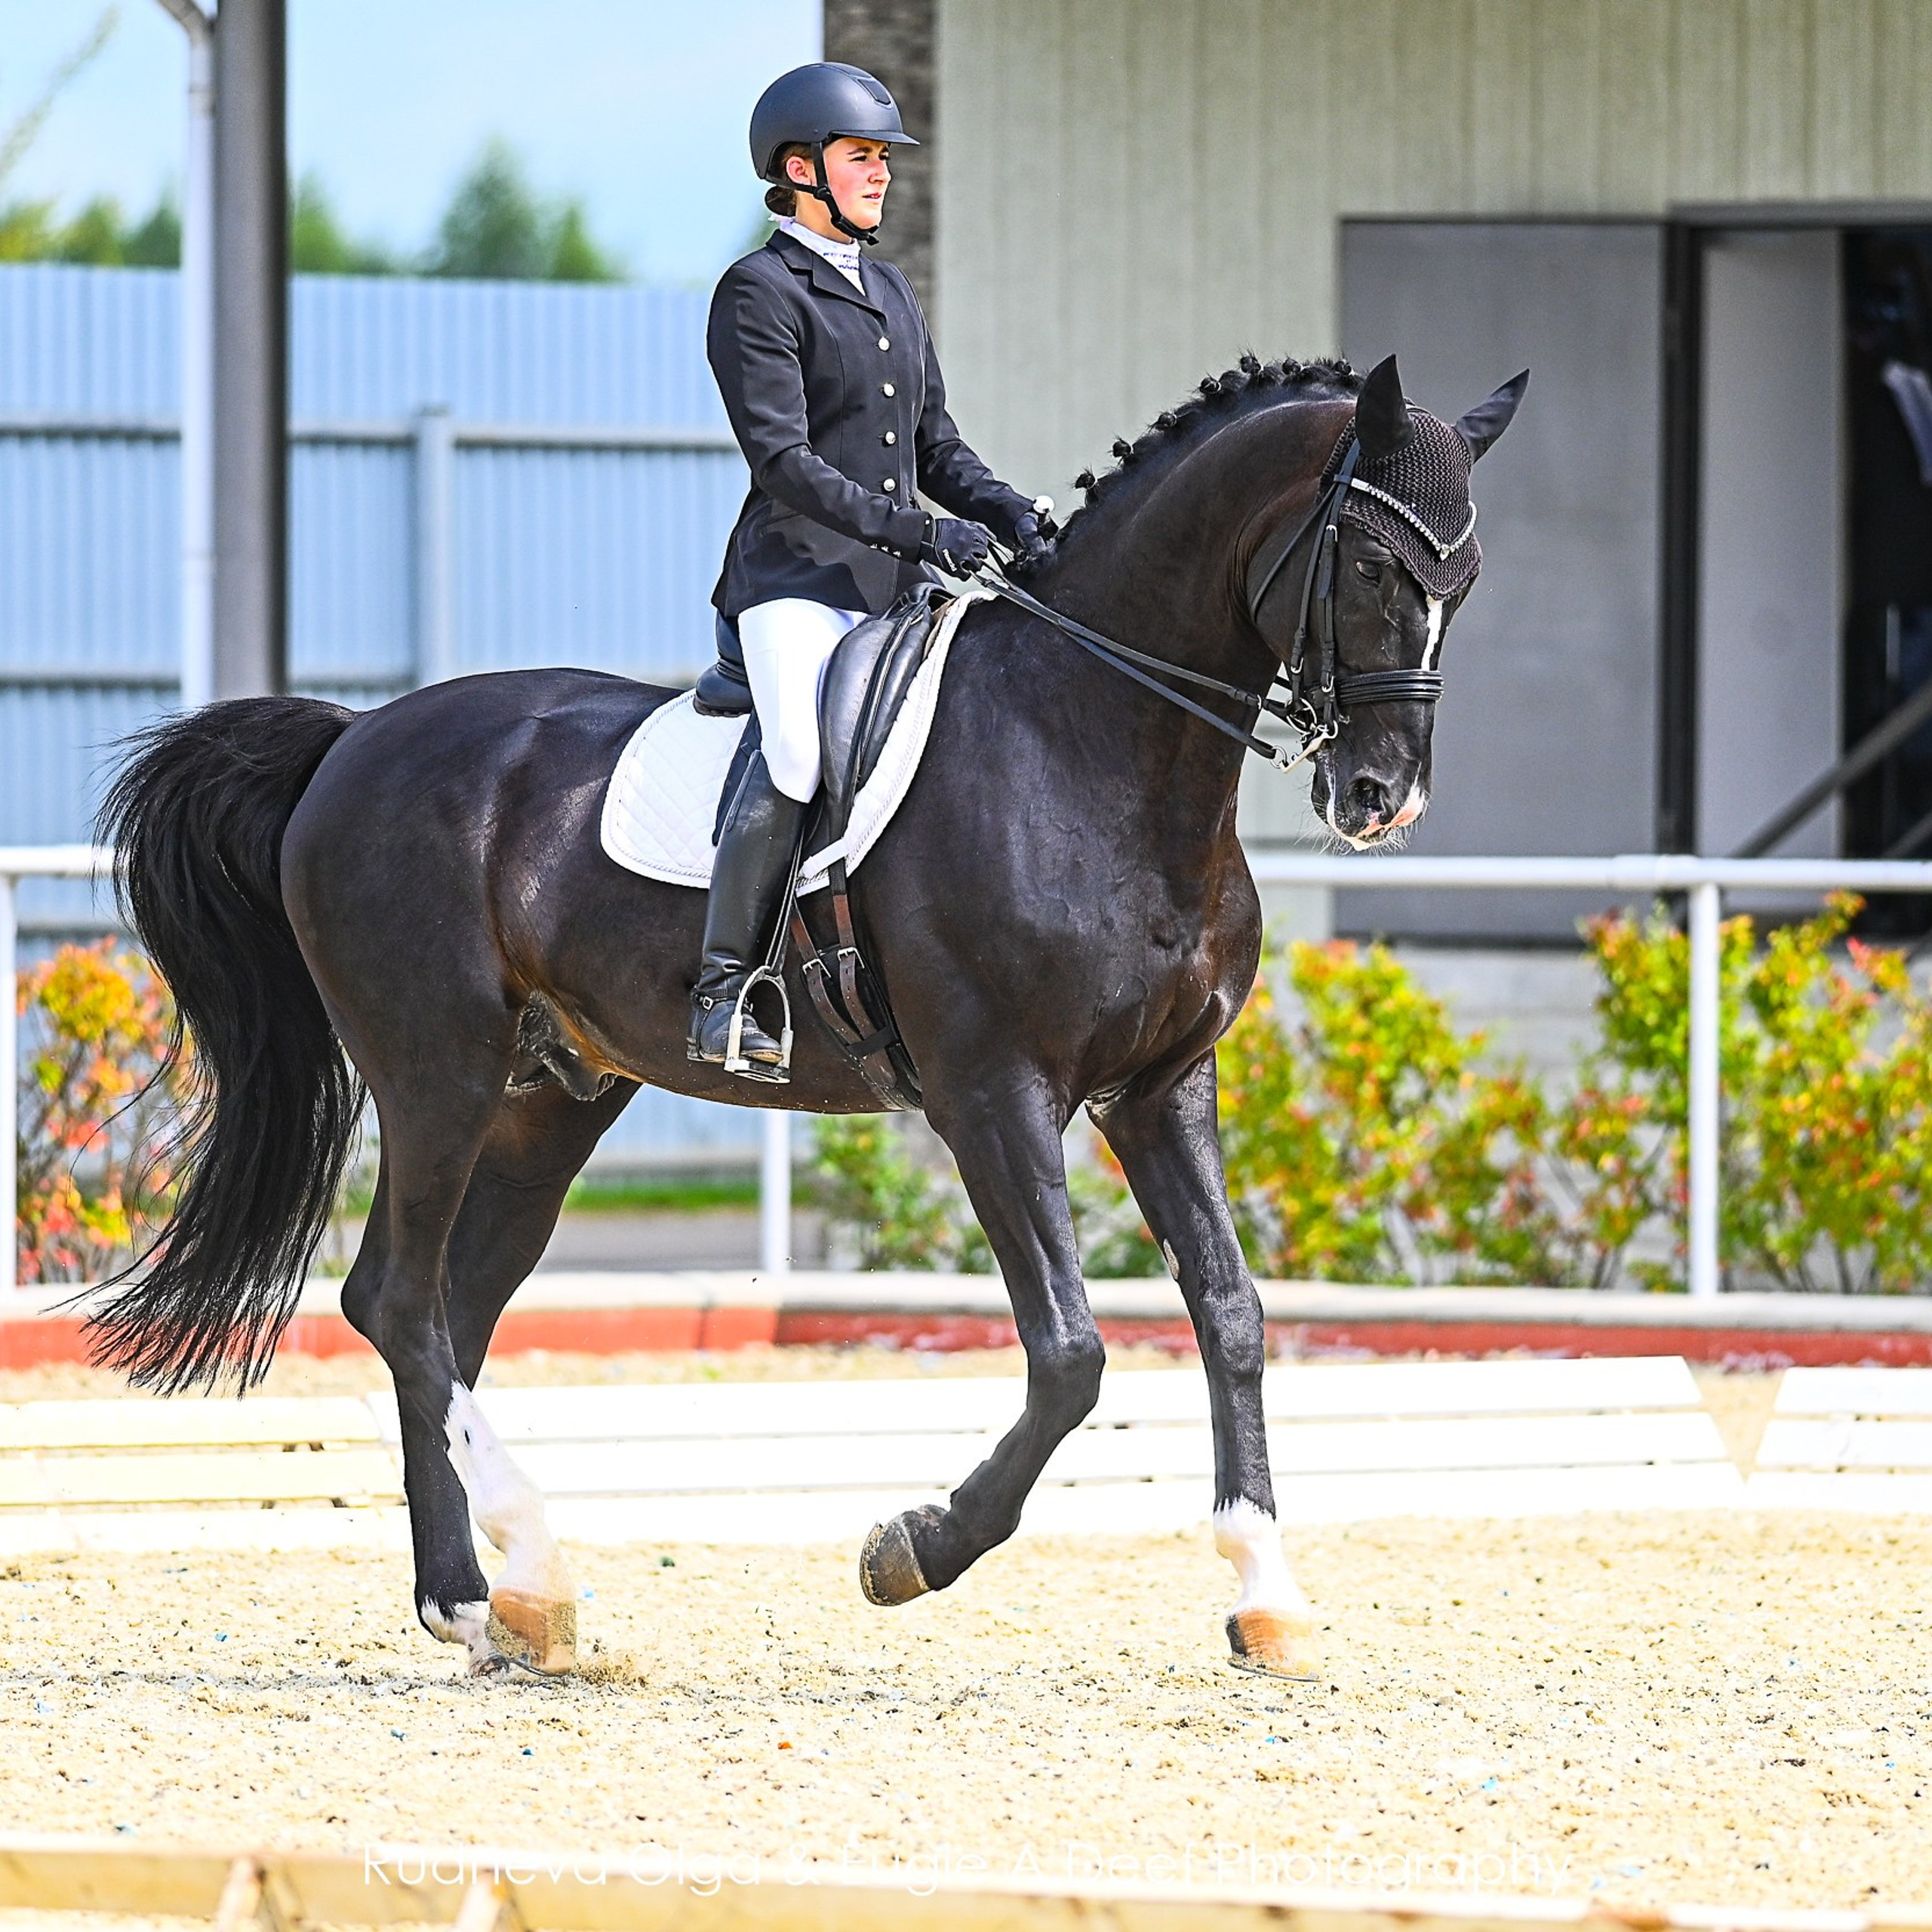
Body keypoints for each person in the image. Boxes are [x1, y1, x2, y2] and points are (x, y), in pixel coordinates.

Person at [690, 60, 1051, 1077]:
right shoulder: (758, 292)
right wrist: (926, 536)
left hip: (892, 591)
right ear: (799, 168)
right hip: (793, 581)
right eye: (862, 157)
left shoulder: (889, 286)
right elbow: (786, 464)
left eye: (883, 158)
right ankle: (727, 990)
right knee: (801, 757)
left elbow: (937, 445)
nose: (882, 174)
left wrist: (1004, 508)